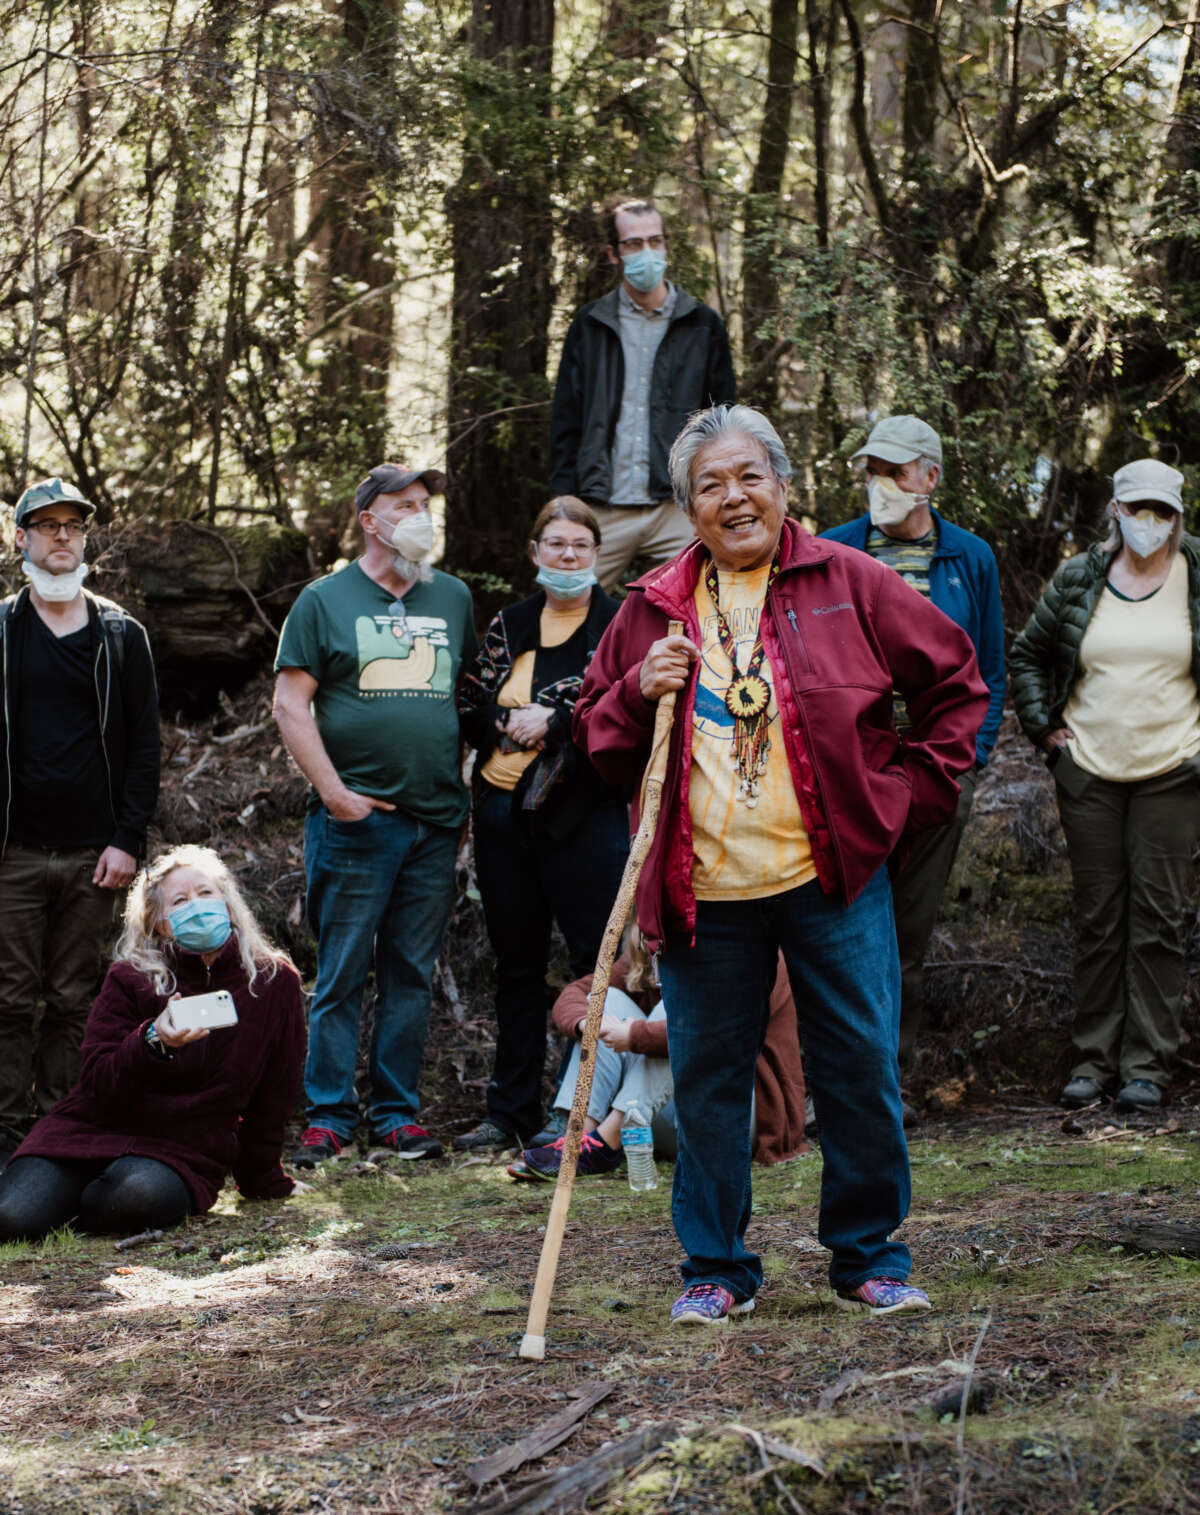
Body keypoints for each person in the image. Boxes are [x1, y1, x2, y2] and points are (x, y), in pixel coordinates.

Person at [574, 404, 988, 1324]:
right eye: (710, 485)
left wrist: (906, 802)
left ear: (785, 486)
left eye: (749, 476)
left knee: (859, 1067)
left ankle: (869, 1257)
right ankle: (715, 1268)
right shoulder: (653, 608)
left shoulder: (851, 579)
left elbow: (957, 686)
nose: (733, 498)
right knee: (710, 1080)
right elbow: (596, 744)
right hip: (703, 891)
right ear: (689, 505)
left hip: (831, 880)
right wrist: (637, 696)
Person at [273, 462, 476, 1165]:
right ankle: (328, 1116)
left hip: (434, 822)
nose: (420, 514)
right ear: (369, 519)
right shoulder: (324, 600)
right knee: (341, 972)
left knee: (410, 973)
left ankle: (396, 1114)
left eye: (426, 503)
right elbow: (290, 704)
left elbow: (464, 699)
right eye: (404, 504)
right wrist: (334, 792)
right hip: (356, 820)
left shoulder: (452, 597)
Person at [1010, 459, 1200, 1113]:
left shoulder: (1195, 574)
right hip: (1089, 773)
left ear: (1178, 515)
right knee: (1097, 919)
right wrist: (1044, 731)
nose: (1150, 523)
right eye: (1137, 509)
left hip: (1173, 773)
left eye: (1163, 512)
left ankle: (1146, 1065)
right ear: (1114, 511)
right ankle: (1092, 1060)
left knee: (1159, 922)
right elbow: (1029, 654)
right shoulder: (1080, 576)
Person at [821, 416, 1005, 1091]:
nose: (883, 485)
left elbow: (989, 667)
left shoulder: (970, 557)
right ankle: (839, 1084)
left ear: (930, 476)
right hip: (850, 773)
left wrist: (970, 757)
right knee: (840, 935)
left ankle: (891, 1084)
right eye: (873, 470)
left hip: (936, 770)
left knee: (908, 936)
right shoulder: (832, 550)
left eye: (896, 471)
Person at [0, 846, 305, 1240]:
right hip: (86, 1132)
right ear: (160, 923)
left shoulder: (274, 982)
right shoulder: (130, 977)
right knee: (10, 1217)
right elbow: (97, 1078)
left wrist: (263, 1181)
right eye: (180, 901)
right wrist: (152, 1041)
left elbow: (275, 1094)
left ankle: (75, 1207)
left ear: (228, 903)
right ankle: (61, 1200)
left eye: (206, 893)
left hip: (180, 1152)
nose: (197, 906)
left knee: (133, 1197)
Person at [454, 498, 629, 1150]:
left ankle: (577, 1109)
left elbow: (625, 706)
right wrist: (508, 722)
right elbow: (469, 703)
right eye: (555, 544)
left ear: (595, 553)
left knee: (595, 962)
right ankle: (510, 1110)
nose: (567, 556)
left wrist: (554, 722)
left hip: (585, 815)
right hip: (503, 818)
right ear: (535, 554)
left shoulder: (616, 623)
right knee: (517, 966)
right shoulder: (509, 622)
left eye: (580, 545)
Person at [0, 477, 160, 1173]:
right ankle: (8, 1139)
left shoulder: (120, 634)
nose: (61, 535)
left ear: (85, 538)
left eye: (73, 525)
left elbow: (146, 746)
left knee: (74, 999)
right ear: (21, 539)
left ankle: (60, 1132)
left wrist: (127, 839)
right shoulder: (1, 628)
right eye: (46, 524)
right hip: (13, 853)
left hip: (98, 857)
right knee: (7, 997)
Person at [548, 197, 736, 593]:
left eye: (655, 241)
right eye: (634, 244)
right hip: (601, 506)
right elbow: (566, 419)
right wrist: (566, 506)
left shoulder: (702, 325)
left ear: (666, 246)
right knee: (567, 600)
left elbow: (723, 421)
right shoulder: (590, 324)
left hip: (676, 507)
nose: (646, 253)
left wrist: (712, 493)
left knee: (703, 605)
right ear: (614, 254)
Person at [508, 939, 809, 1180]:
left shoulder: (762, 953)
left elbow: (714, 1030)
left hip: (739, 1123)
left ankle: (606, 1140)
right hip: (665, 1123)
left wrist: (635, 1036)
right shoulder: (652, 945)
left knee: (683, 1013)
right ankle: (580, 1138)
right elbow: (577, 992)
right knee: (604, 1001)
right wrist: (587, 1024)